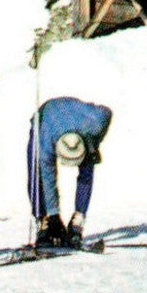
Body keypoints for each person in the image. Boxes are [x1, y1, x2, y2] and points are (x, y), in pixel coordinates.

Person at [27, 96, 113, 248]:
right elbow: (49, 178)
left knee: (89, 164)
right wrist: (54, 214)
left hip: (79, 119)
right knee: (37, 172)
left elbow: (107, 113)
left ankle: (78, 219)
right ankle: (44, 220)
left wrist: (95, 143)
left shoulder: (96, 123)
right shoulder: (46, 141)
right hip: (47, 116)